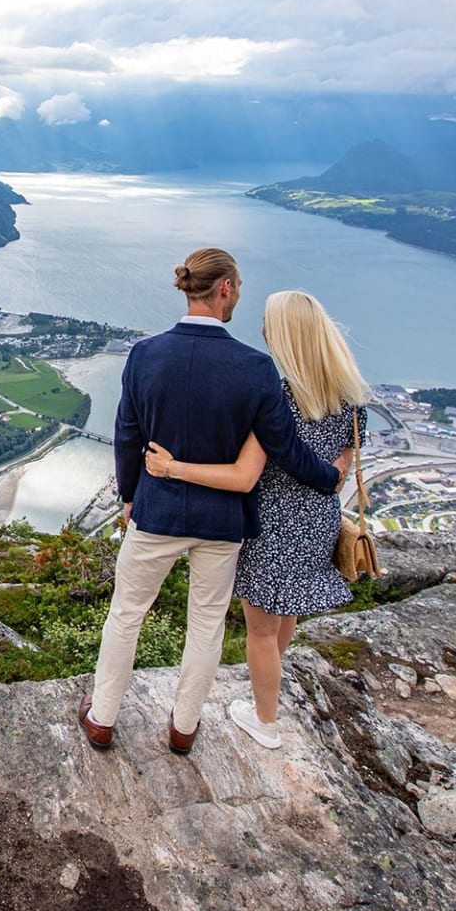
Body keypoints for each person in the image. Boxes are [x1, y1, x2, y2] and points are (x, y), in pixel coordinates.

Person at [80, 249, 349, 757]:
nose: (240, 296)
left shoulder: (144, 354)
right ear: (223, 288)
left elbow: (125, 437)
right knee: (205, 623)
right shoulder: (255, 369)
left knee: (126, 614)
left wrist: (132, 496)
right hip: (222, 522)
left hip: (156, 510)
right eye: (240, 287)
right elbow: (286, 448)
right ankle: (182, 729)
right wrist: (329, 478)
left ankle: (102, 719)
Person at [143, 289, 370, 751]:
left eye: (269, 322)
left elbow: (245, 475)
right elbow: (343, 468)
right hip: (318, 521)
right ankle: (266, 694)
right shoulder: (350, 402)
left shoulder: (278, 398)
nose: (263, 329)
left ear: (287, 335)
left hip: (273, 524)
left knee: (260, 632)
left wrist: (172, 468)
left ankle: (265, 721)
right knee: (284, 615)